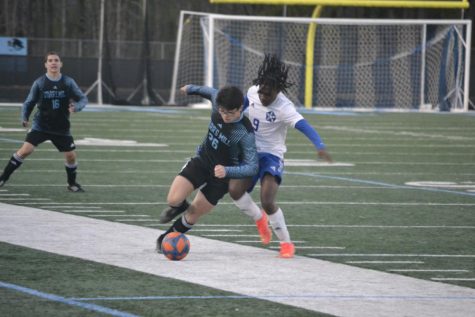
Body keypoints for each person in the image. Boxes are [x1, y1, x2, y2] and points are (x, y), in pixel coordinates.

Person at [228, 54, 332, 258]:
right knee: (234, 190)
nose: (264, 97)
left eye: (269, 94)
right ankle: (260, 220)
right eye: (262, 92)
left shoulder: (285, 107)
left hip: (272, 156)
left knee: (267, 199)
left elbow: (304, 126)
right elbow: (241, 110)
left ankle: (286, 243)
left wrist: (319, 145)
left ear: (278, 90)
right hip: (250, 153)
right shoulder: (252, 92)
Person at [156, 85, 258, 251]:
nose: (225, 116)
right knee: (173, 200)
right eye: (222, 111)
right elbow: (209, 92)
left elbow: (252, 167)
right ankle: (180, 206)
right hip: (202, 162)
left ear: (240, 108)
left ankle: (167, 237)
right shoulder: (218, 102)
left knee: (194, 212)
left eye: (230, 113)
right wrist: (191, 89)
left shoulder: (245, 133)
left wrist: (228, 171)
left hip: (222, 178)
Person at [0, 51, 88, 192]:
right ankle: (3, 178)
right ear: (46, 64)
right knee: (25, 150)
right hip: (41, 125)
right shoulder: (39, 82)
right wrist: (24, 117)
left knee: (71, 156)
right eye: (50, 60)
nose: (53, 62)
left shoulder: (68, 81)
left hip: (61, 127)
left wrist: (76, 107)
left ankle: (72, 184)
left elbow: (83, 99)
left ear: (61, 64)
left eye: (56, 60)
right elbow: (29, 102)